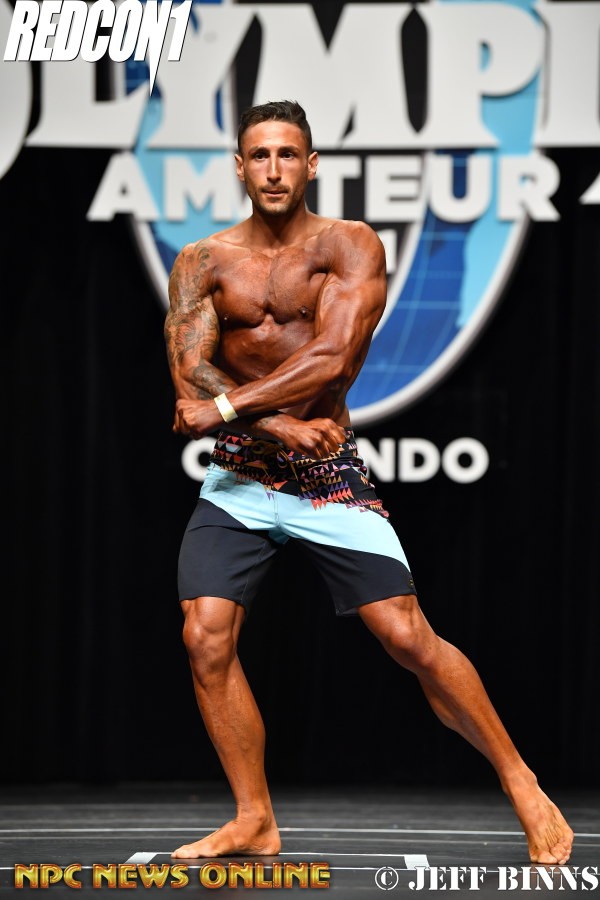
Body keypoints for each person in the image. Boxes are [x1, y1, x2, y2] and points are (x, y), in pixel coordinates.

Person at [164, 100, 573, 864]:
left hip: (326, 471)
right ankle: (253, 819)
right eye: (260, 156)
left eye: (289, 154)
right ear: (240, 167)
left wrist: (232, 410)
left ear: (313, 164)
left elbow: (333, 359)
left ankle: (520, 778)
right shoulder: (202, 261)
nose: (275, 169)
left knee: (406, 634)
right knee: (203, 635)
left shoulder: (348, 245)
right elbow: (191, 372)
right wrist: (274, 425)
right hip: (242, 472)